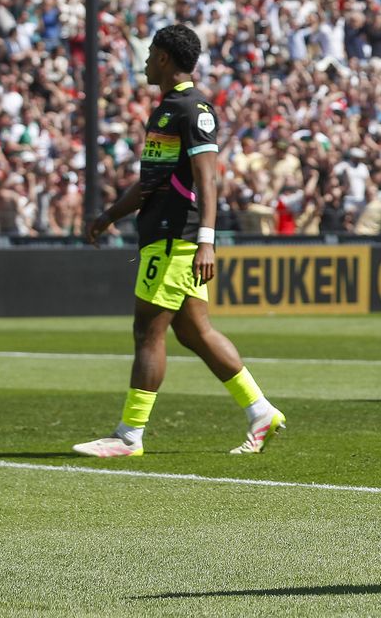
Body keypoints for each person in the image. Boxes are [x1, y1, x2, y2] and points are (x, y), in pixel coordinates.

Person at [74, 25, 286, 458]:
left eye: (152, 54)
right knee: (194, 332)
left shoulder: (193, 110)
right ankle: (261, 411)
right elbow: (151, 183)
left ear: (166, 59)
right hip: (166, 236)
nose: (147, 61)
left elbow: (208, 178)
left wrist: (206, 240)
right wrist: (108, 216)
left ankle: (129, 435)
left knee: (147, 330)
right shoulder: (168, 110)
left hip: (178, 239)